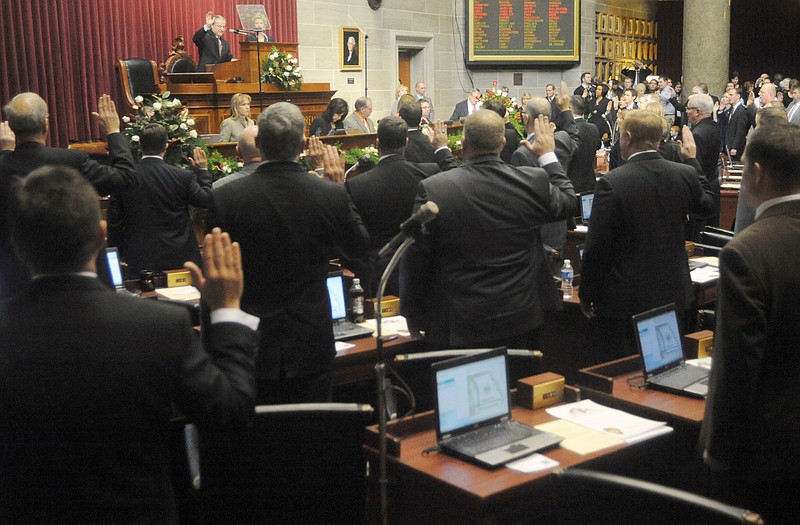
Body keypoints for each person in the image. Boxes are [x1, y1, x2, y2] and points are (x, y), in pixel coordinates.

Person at [0, 165, 259, 522]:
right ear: (100, 235)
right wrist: (227, 310)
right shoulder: (158, 325)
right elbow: (229, 415)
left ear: (17, 246)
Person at [206, 102, 369, 404]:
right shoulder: (330, 194)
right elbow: (359, 251)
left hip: (250, 344)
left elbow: (216, 275)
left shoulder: (226, 197)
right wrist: (340, 186)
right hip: (311, 342)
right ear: (304, 144)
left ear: (257, 143)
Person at [400, 110, 578, 349]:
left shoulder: (435, 188)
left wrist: (412, 314)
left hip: (462, 319)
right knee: (520, 383)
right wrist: (547, 155)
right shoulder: (532, 181)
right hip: (521, 313)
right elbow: (568, 202)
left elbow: (416, 257)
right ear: (503, 143)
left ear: (463, 145)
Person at [701, 121, 800, 523]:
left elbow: (738, 365)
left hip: (771, 452)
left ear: (756, 173)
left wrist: (718, 451)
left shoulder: (746, 251)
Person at [579, 111, 714, 361]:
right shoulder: (684, 173)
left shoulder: (612, 182)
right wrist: (693, 161)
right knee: (669, 367)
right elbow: (706, 206)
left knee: (626, 374)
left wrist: (587, 293)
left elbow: (597, 246)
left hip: (626, 299)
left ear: (627, 138)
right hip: (674, 292)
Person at [0, 92, 137, 300]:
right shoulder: (73, 160)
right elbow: (126, 179)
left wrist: (4, 153)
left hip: (15, 286)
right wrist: (114, 132)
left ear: (10, 126)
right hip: (80, 288)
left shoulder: (3, 165)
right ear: (46, 123)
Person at [345, 117, 455, 296]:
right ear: (406, 142)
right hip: (423, 269)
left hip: (380, 275)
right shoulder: (430, 172)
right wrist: (442, 149)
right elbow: (455, 182)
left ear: (377, 143)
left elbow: (356, 237)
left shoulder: (356, 184)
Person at [106, 123, 211, 276]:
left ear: (140, 145)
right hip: (180, 258)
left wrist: (118, 253)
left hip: (139, 259)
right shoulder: (182, 176)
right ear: (166, 146)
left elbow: (114, 222)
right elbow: (205, 200)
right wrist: (203, 171)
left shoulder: (125, 177)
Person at [687, 92, 721, 238]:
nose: (686, 112)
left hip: (701, 195)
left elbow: (696, 169)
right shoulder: (714, 127)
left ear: (697, 111)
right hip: (713, 186)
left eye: (688, 108)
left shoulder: (698, 134)